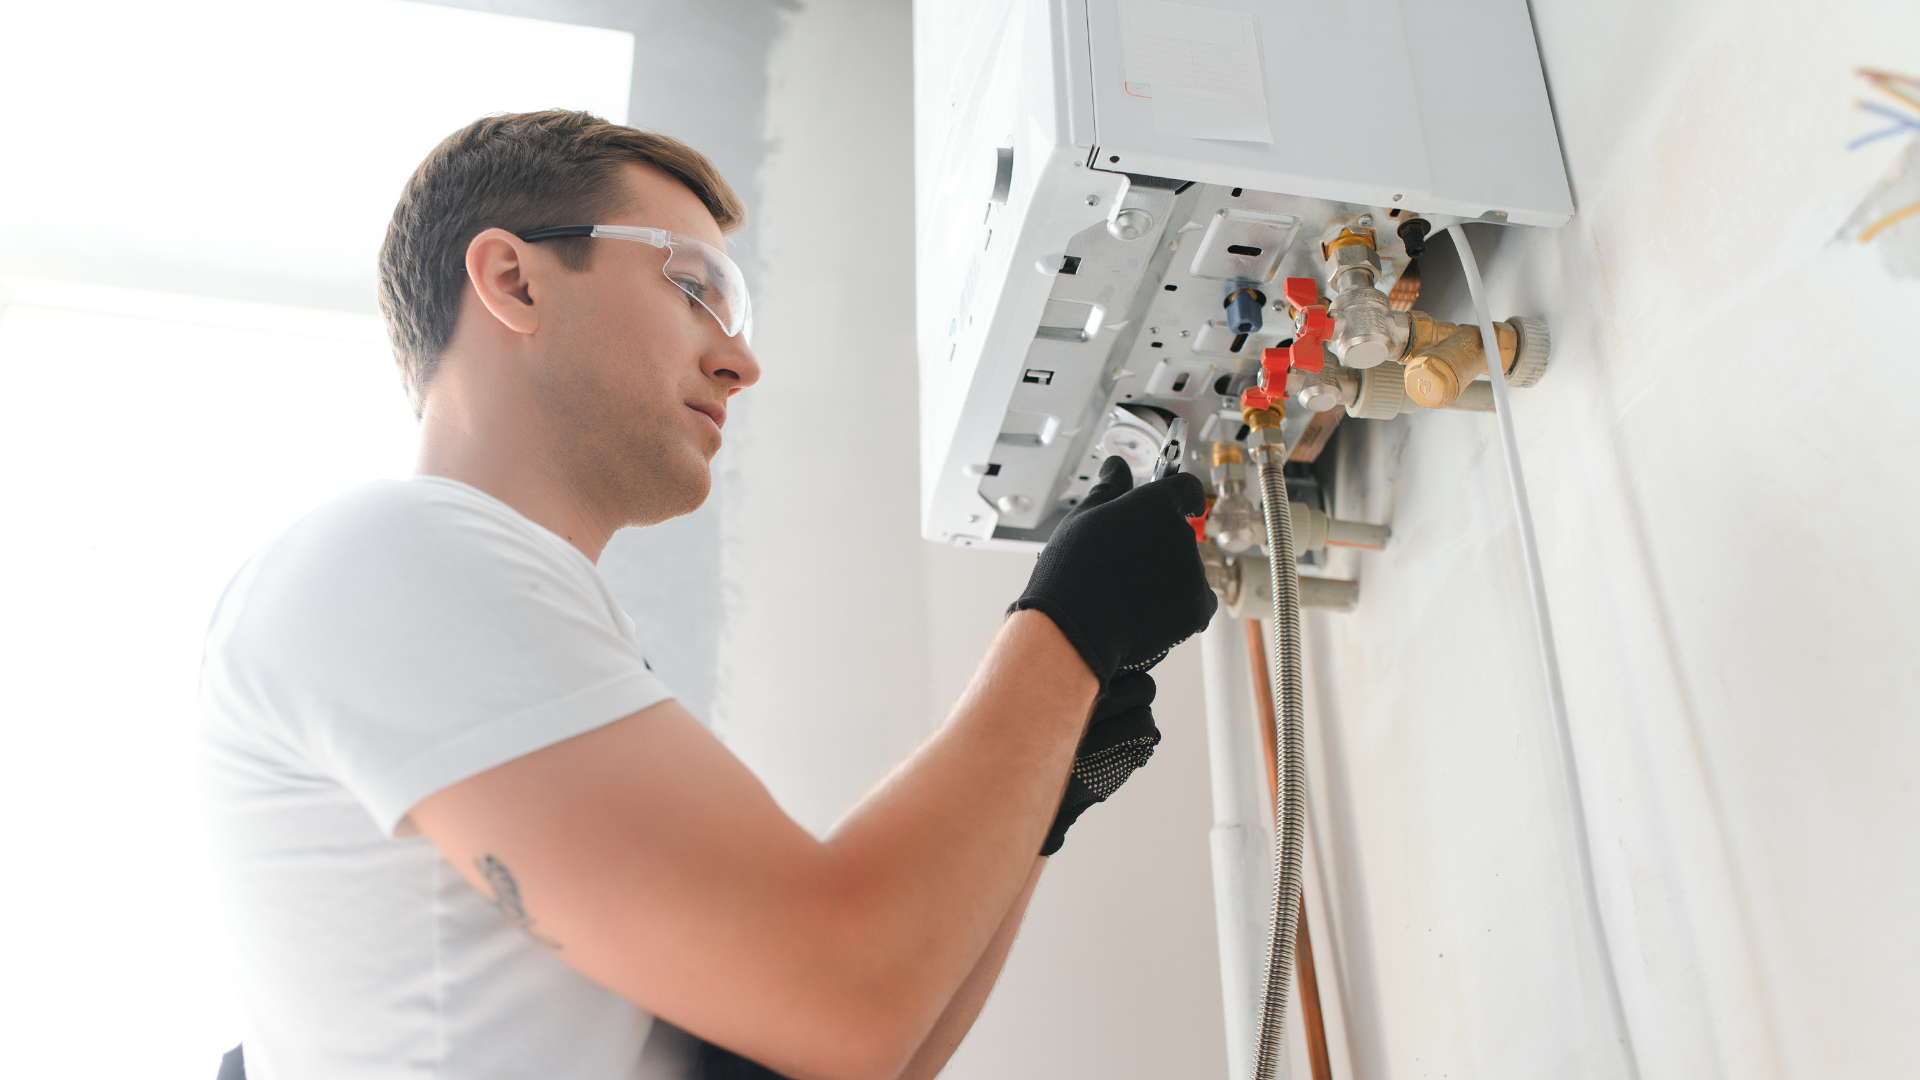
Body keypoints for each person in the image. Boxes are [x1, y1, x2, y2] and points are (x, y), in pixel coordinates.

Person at [198, 110, 1215, 1080]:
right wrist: (1072, 627)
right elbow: (842, 997)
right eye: (693, 287)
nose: (740, 360)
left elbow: (849, 1049)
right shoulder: (397, 556)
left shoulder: (492, 619)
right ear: (513, 280)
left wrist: (1044, 791)